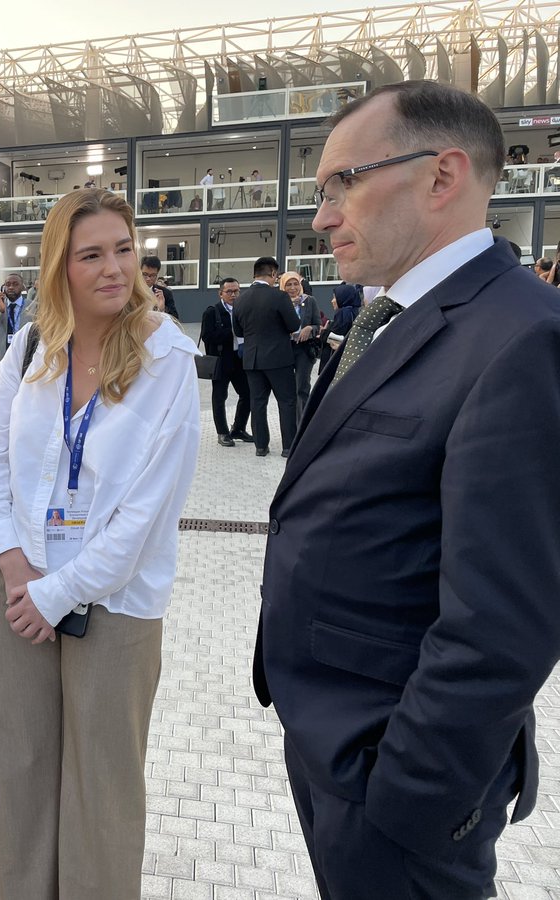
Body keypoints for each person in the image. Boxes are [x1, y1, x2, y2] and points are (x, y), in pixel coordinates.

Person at [253, 80, 560, 900]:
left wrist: (408, 797)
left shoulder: (522, 337)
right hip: (335, 743)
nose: (322, 217)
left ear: (441, 176)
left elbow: (504, 623)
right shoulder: (393, 317)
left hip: (396, 778)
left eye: (343, 183)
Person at [0, 188, 200, 899]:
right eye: (91, 254)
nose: (113, 268)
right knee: (22, 765)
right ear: (59, 267)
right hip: (16, 582)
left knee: (103, 785)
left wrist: (57, 593)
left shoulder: (167, 358)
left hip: (113, 597)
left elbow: (146, 513)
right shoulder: (31, 344)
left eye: (124, 250)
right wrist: (16, 567)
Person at [232, 255, 300, 457]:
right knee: (287, 402)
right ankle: (288, 447)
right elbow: (294, 325)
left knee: (258, 403)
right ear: (272, 273)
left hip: (252, 359)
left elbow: (238, 331)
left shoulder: (240, 299)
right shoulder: (279, 297)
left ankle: (261, 446)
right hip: (279, 358)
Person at [199, 277, 252, 446]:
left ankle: (238, 428)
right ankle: (222, 432)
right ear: (220, 293)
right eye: (229, 291)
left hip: (240, 358)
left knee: (248, 393)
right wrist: (232, 332)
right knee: (220, 396)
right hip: (221, 360)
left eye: (236, 291)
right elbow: (207, 336)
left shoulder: (243, 309)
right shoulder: (212, 312)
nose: (233, 295)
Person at [280, 271, 320, 425]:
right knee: (288, 390)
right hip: (285, 349)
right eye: (288, 285)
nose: (293, 288)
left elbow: (318, 324)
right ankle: (290, 426)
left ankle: (303, 425)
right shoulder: (280, 303)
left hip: (304, 349)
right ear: (283, 286)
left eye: (295, 284)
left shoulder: (309, 301)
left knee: (302, 388)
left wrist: (310, 328)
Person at [0, 272, 31, 367]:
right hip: (4, 363)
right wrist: (0, 311)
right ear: (3, 288)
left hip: (27, 362)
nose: (11, 287)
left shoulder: (34, 307)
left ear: (23, 287)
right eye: (8, 284)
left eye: (15, 284)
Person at [140, 255, 180, 320]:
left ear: (157, 274)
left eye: (152, 275)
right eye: (145, 274)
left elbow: (175, 319)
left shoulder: (165, 293)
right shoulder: (131, 291)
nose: (148, 279)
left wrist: (162, 310)